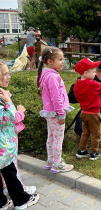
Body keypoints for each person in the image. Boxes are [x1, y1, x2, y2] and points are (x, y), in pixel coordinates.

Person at [0, 61, 39, 210]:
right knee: (10, 172)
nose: (8, 76)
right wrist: (13, 105)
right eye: (5, 74)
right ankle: (22, 201)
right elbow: (9, 118)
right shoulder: (3, 98)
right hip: (4, 146)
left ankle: (2, 202)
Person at [37, 47, 74, 173]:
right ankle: (57, 163)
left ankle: (50, 161)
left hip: (49, 113)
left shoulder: (45, 74)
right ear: (49, 61)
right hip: (55, 113)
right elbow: (56, 97)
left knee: (51, 137)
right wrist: (61, 114)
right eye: (60, 59)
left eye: (63, 59)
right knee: (58, 139)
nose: (63, 61)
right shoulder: (52, 76)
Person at [74, 58, 101, 160]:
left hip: (84, 113)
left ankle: (82, 151)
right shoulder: (91, 84)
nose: (95, 74)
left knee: (85, 133)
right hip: (94, 113)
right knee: (96, 134)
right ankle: (94, 153)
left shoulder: (78, 83)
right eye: (93, 71)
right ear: (86, 73)